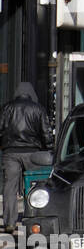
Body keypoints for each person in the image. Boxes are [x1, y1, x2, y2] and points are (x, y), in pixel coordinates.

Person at [0, 83, 54, 235]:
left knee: (10, 187)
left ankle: (10, 222)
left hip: (11, 152)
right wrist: (49, 150)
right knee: (35, 185)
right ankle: (34, 217)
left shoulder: (7, 108)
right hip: (33, 153)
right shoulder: (37, 109)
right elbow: (46, 132)